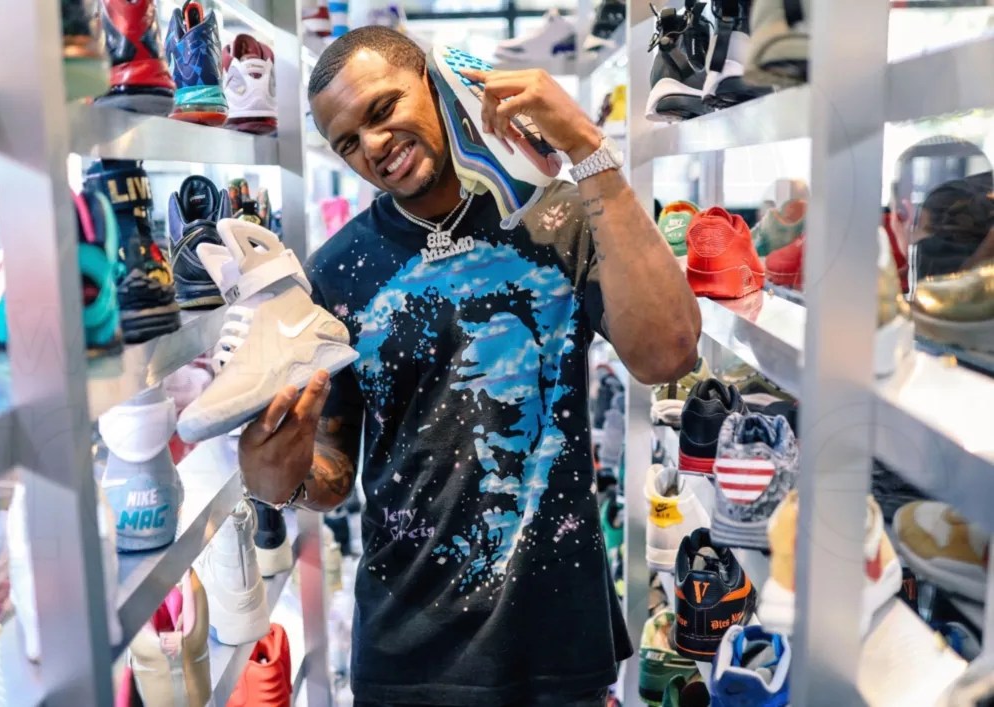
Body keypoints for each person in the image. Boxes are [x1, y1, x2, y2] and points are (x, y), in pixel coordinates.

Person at [238, 26, 701, 706]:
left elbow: (668, 354)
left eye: (382, 109)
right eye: (347, 142)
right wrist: (285, 475)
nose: (372, 145)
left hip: (556, 637)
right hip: (406, 651)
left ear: (437, 84)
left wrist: (587, 148)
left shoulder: (557, 216)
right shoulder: (336, 272)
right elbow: (332, 468)